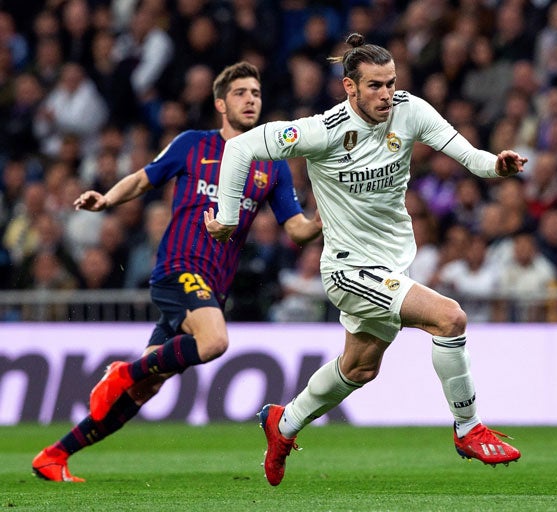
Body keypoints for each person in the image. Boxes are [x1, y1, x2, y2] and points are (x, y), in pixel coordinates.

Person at [205, 33, 528, 487]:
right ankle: (468, 427)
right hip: (347, 269)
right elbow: (239, 148)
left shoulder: (410, 110)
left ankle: (283, 423)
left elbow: (467, 155)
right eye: (374, 85)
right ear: (349, 88)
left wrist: (497, 165)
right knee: (450, 318)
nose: (386, 94)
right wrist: (227, 215)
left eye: (391, 83)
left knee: (359, 368)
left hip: (392, 266)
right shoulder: (321, 131)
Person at [31, 61, 322, 482]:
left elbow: (296, 228)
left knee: (146, 387)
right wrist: (106, 200)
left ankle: (55, 455)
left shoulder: (270, 165)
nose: (250, 100)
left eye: (256, 93)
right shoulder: (192, 145)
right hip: (178, 269)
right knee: (215, 340)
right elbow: (143, 179)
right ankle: (121, 372)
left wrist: (326, 221)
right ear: (220, 102)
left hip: (211, 289)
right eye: (240, 92)